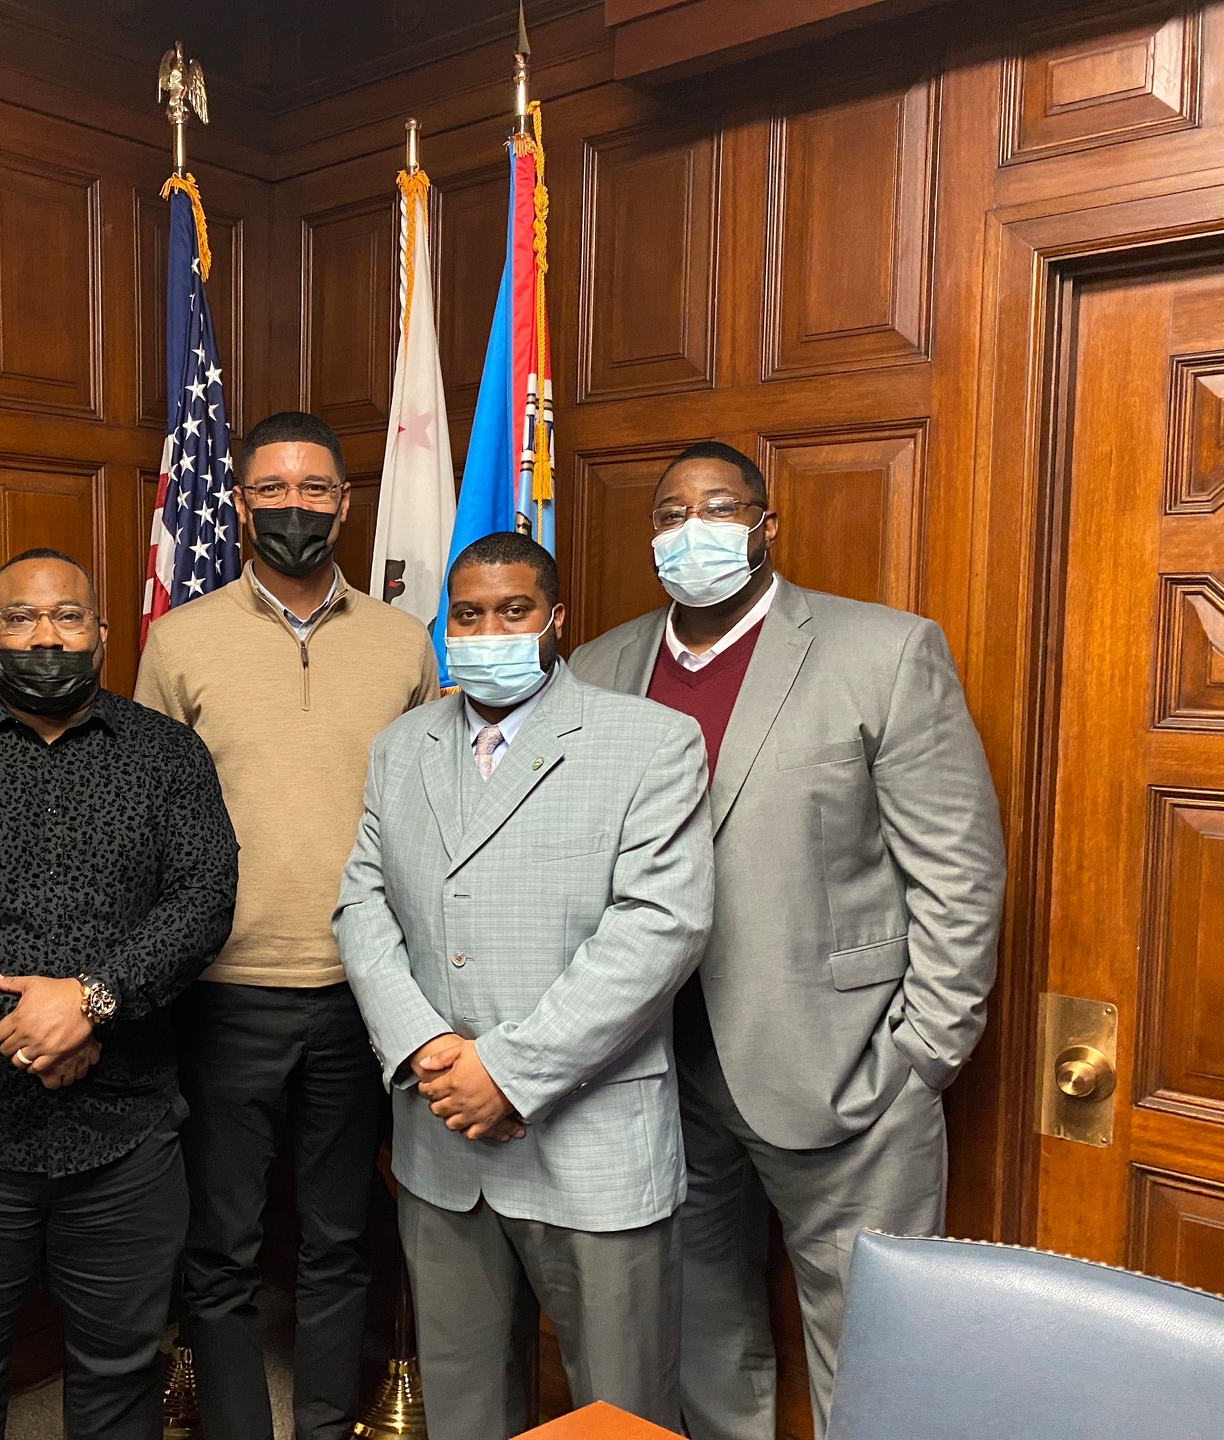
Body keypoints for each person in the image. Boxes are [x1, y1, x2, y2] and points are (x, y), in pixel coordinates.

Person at [568, 441, 1005, 1440]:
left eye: (718, 509)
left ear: (767, 527)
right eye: (671, 514)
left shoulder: (884, 653)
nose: (693, 530)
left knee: (877, 1355)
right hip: (655, 1077)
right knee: (706, 1335)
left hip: (843, 1074)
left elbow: (957, 871)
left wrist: (921, 1056)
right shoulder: (599, 670)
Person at [0, 549, 239, 1440]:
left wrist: (93, 999)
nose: (45, 637)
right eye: (20, 619)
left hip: (127, 1129)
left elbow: (203, 899)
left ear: (102, 633)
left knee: (120, 1368)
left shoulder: (167, 755)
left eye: (67, 618)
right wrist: (27, 1020)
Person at [335, 530, 714, 1438]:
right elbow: (363, 906)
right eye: (468, 615)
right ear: (445, 627)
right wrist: (429, 1050)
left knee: (620, 1410)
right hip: (440, 1139)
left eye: (515, 612)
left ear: (556, 622)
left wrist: (505, 1072)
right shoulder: (402, 745)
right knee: (463, 1402)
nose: (489, 630)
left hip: (590, 1139)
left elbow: (660, 928)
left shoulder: (651, 741)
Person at [135, 411, 439, 1440]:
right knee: (219, 1245)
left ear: (345, 503)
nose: (295, 507)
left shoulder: (406, 644)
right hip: (221, 992)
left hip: (363, 993)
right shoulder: (180, 641)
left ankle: (322, 1428)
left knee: (341, 1238)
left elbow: (431, 810)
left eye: (316, 490)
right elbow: (149, 819)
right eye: (272, 490)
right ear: (240, 501)